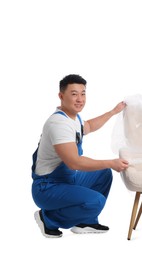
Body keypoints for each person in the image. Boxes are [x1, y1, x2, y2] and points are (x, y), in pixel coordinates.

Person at [31, 74, 129, 238]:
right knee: (96, 201)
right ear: (61, 96)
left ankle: (84, 221)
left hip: (66, 181)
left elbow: (89, 125)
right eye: (74, 94)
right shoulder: (59, 124)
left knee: (103, 174)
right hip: (47, 188)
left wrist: (113, 112)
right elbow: (75, 163)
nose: (80, 99)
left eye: (83, 93)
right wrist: (111, 162)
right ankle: (47, 219)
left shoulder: (73, 118)